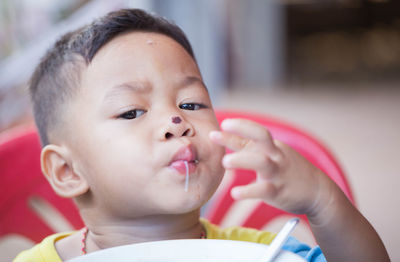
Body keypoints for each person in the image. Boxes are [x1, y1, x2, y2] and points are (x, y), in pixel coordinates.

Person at [14, 8, 389, 262]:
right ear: (67, 171)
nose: (176, 121)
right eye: (131, 111)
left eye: (191, 104)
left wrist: (321, 201)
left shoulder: (260, 254)